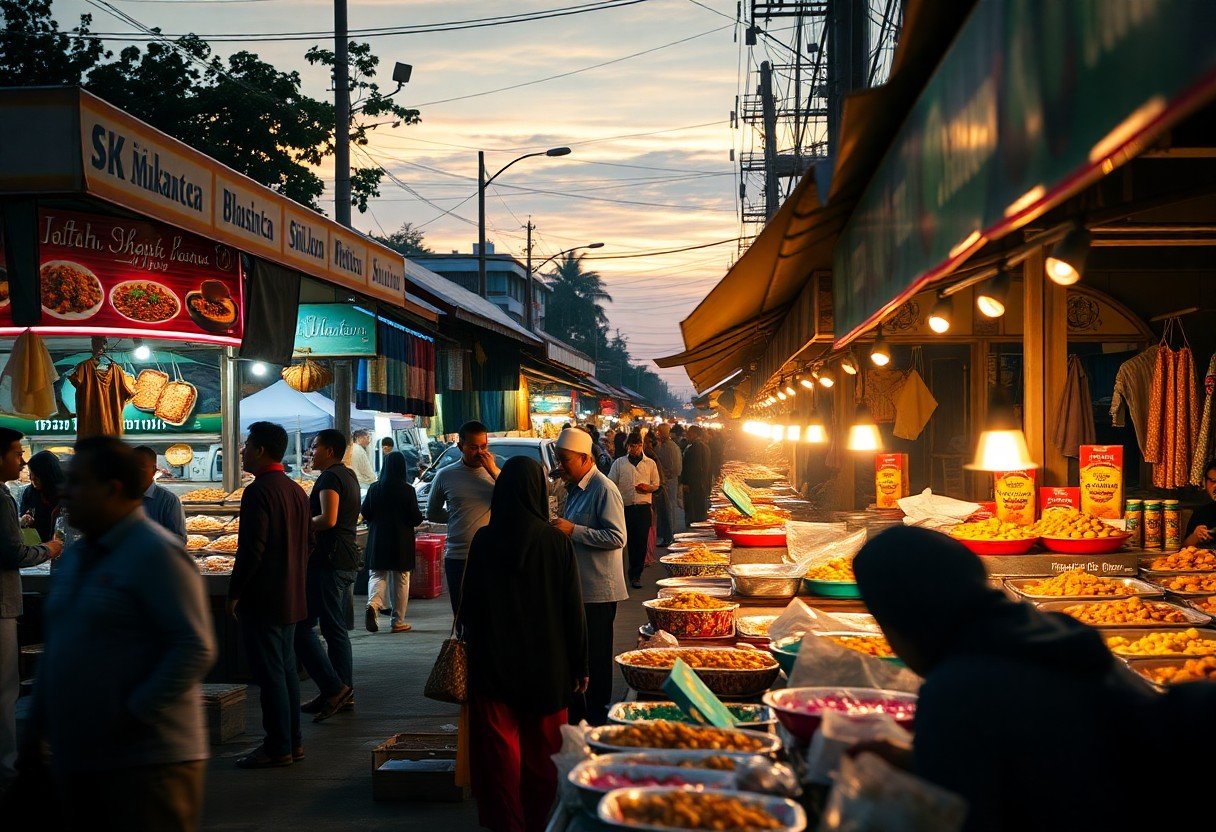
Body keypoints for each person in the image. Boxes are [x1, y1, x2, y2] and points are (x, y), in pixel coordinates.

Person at [848, 526, 1165, 832]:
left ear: (906, 622)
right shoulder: (1048, 634)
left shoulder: (956, 692)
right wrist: (915, 761)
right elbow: (1040, 762)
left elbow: (966, 816)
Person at [25, 436, 213, 829]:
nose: (65, 491)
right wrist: (36, 729)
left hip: (149, 763)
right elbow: (60, 644)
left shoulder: (156, 553)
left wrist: (129, 715)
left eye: (77, 482)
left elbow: (193, 647)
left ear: (111, 490)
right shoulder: (77, 555)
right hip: (81, 755)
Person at [461, 457, 589, 832]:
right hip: (548, 666)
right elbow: (572, 610)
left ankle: (509, 825)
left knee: (501, 760)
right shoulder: (555, 541)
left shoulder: (484, 540)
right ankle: (540, 823)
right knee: (544, 758)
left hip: (494, 664)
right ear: (537, 490)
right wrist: (580, 665)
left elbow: (468, 606)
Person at [227, 422, 312, 769]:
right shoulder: (296, 490)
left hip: (264, 598)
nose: (243, 451)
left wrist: (235, 593)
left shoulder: (259, 491)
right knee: (286, 671)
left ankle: (277, 746)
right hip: (292, 595)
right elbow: (310, 543)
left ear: (261, 450)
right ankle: (293, 743)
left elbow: (251, 549)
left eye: (247, 445)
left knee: (271, 674)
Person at [550, 427, 627, 726]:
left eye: (564, 460)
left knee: (596, 657)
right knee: (581, 656)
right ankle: (584, 715)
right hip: (581, 588)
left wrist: (574, 530)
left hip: (600, 590)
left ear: (584, 458)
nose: (560, 466)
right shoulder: (574, 488)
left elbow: (617, 536)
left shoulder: (603, 489)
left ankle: (598, 718)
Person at [0, 430, 62, 793]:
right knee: (5, 690)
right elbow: (12, 553)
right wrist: (49, 549)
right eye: (14, 453)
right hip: (2, 604)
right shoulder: (4, 496)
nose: (21, 461)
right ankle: (7, 773)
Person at [296, 429, 360, 722]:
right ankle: (337, 690)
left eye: (316, 446)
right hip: (343, 557)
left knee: (314, 628)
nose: (312, 451)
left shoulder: (330, 478)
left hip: (329, 560)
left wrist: (296, 527)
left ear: (331, 451)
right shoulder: (348, 475)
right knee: (330, 628)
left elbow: (328, 519)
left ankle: (336, 688)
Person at [426, 420, 499, 615]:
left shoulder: (497, 474)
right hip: (458, 556)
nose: (480, 452)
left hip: (491, 556)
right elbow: (431, 512)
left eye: (484, 446)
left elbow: (513, 498)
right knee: (462, 614)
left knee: (490, 614)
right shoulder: (445, 475)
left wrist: (493, 471)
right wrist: (456, 517)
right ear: (461, 447)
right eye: (474, 447)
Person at [362, 451, 423, 633]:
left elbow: (365, 512)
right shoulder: (407, 490)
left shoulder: (374, 488)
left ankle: (373, 604)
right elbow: (415, 518)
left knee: (377, 574)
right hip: (401, 540)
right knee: (401, 579)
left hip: (378, 539)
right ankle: (397, 622)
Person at [608, 432, 660, 589]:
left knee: (641, 542)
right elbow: (611, 483)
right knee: (629, 542)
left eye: (637, 446)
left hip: (643, 507)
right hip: (626, 508)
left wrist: (648, 488)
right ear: (627, 446)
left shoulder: (650, 464)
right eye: (631, 446)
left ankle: (637, 575)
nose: (634, 449)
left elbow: (656, 484)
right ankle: (629, 573)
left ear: (641, 446)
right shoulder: (619, 463)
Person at [133, 445, 187, 543]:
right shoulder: (119, 497)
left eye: (141, 466)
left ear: (153, 470)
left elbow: (180, 540)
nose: (135, 471)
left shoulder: (168, 500)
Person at [18, 450, 65, 543]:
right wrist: (24, 520)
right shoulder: (29, 493)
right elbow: (23, 519)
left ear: (48, 474)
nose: (32, 478)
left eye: (37, 475)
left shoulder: (69, 493)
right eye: (30, 474)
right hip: (37, 549)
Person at [654, 423, 684, 543]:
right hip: (664, 481)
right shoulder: (661, 446)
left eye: (659, 432)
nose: (658, 434)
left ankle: (670, 535)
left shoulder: (672, 447)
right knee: (664, 509)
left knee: (669, 508)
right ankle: (666, 533)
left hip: (670, 482)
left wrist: (664, 474)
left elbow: (675, 468)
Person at [680, 425, 712, 524]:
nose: (687, 435)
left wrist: (686, 483)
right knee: (699, 509)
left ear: (694, 434)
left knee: (694, 511)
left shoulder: (695, 448)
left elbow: (694, 468)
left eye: (689, 433)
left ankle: (695, 528)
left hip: (695, 486)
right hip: (701, 485)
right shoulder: (704, 446)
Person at [1184, 458, 1216, 547]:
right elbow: (1184, 548)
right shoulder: (1201, 513)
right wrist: (1195, 536)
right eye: (1213, 481)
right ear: (1205, 483)